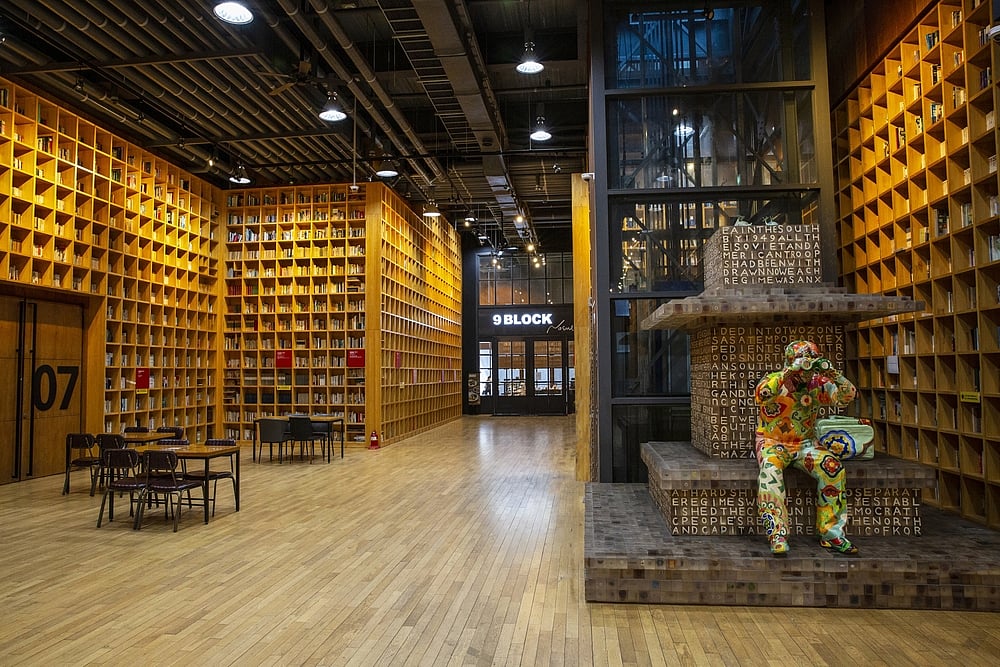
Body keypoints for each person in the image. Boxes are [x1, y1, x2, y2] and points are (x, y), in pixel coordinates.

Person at [753, 340, 859, 556]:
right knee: (770, 473)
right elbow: (762, 395)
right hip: (773, 443)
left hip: (806, 444)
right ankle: (777, 534)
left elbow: (847, 396)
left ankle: (831, 534)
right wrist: (789, 372)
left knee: (832, 467)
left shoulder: (818, 384)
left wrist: (832, 373)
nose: (806, 369)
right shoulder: (774, 380)